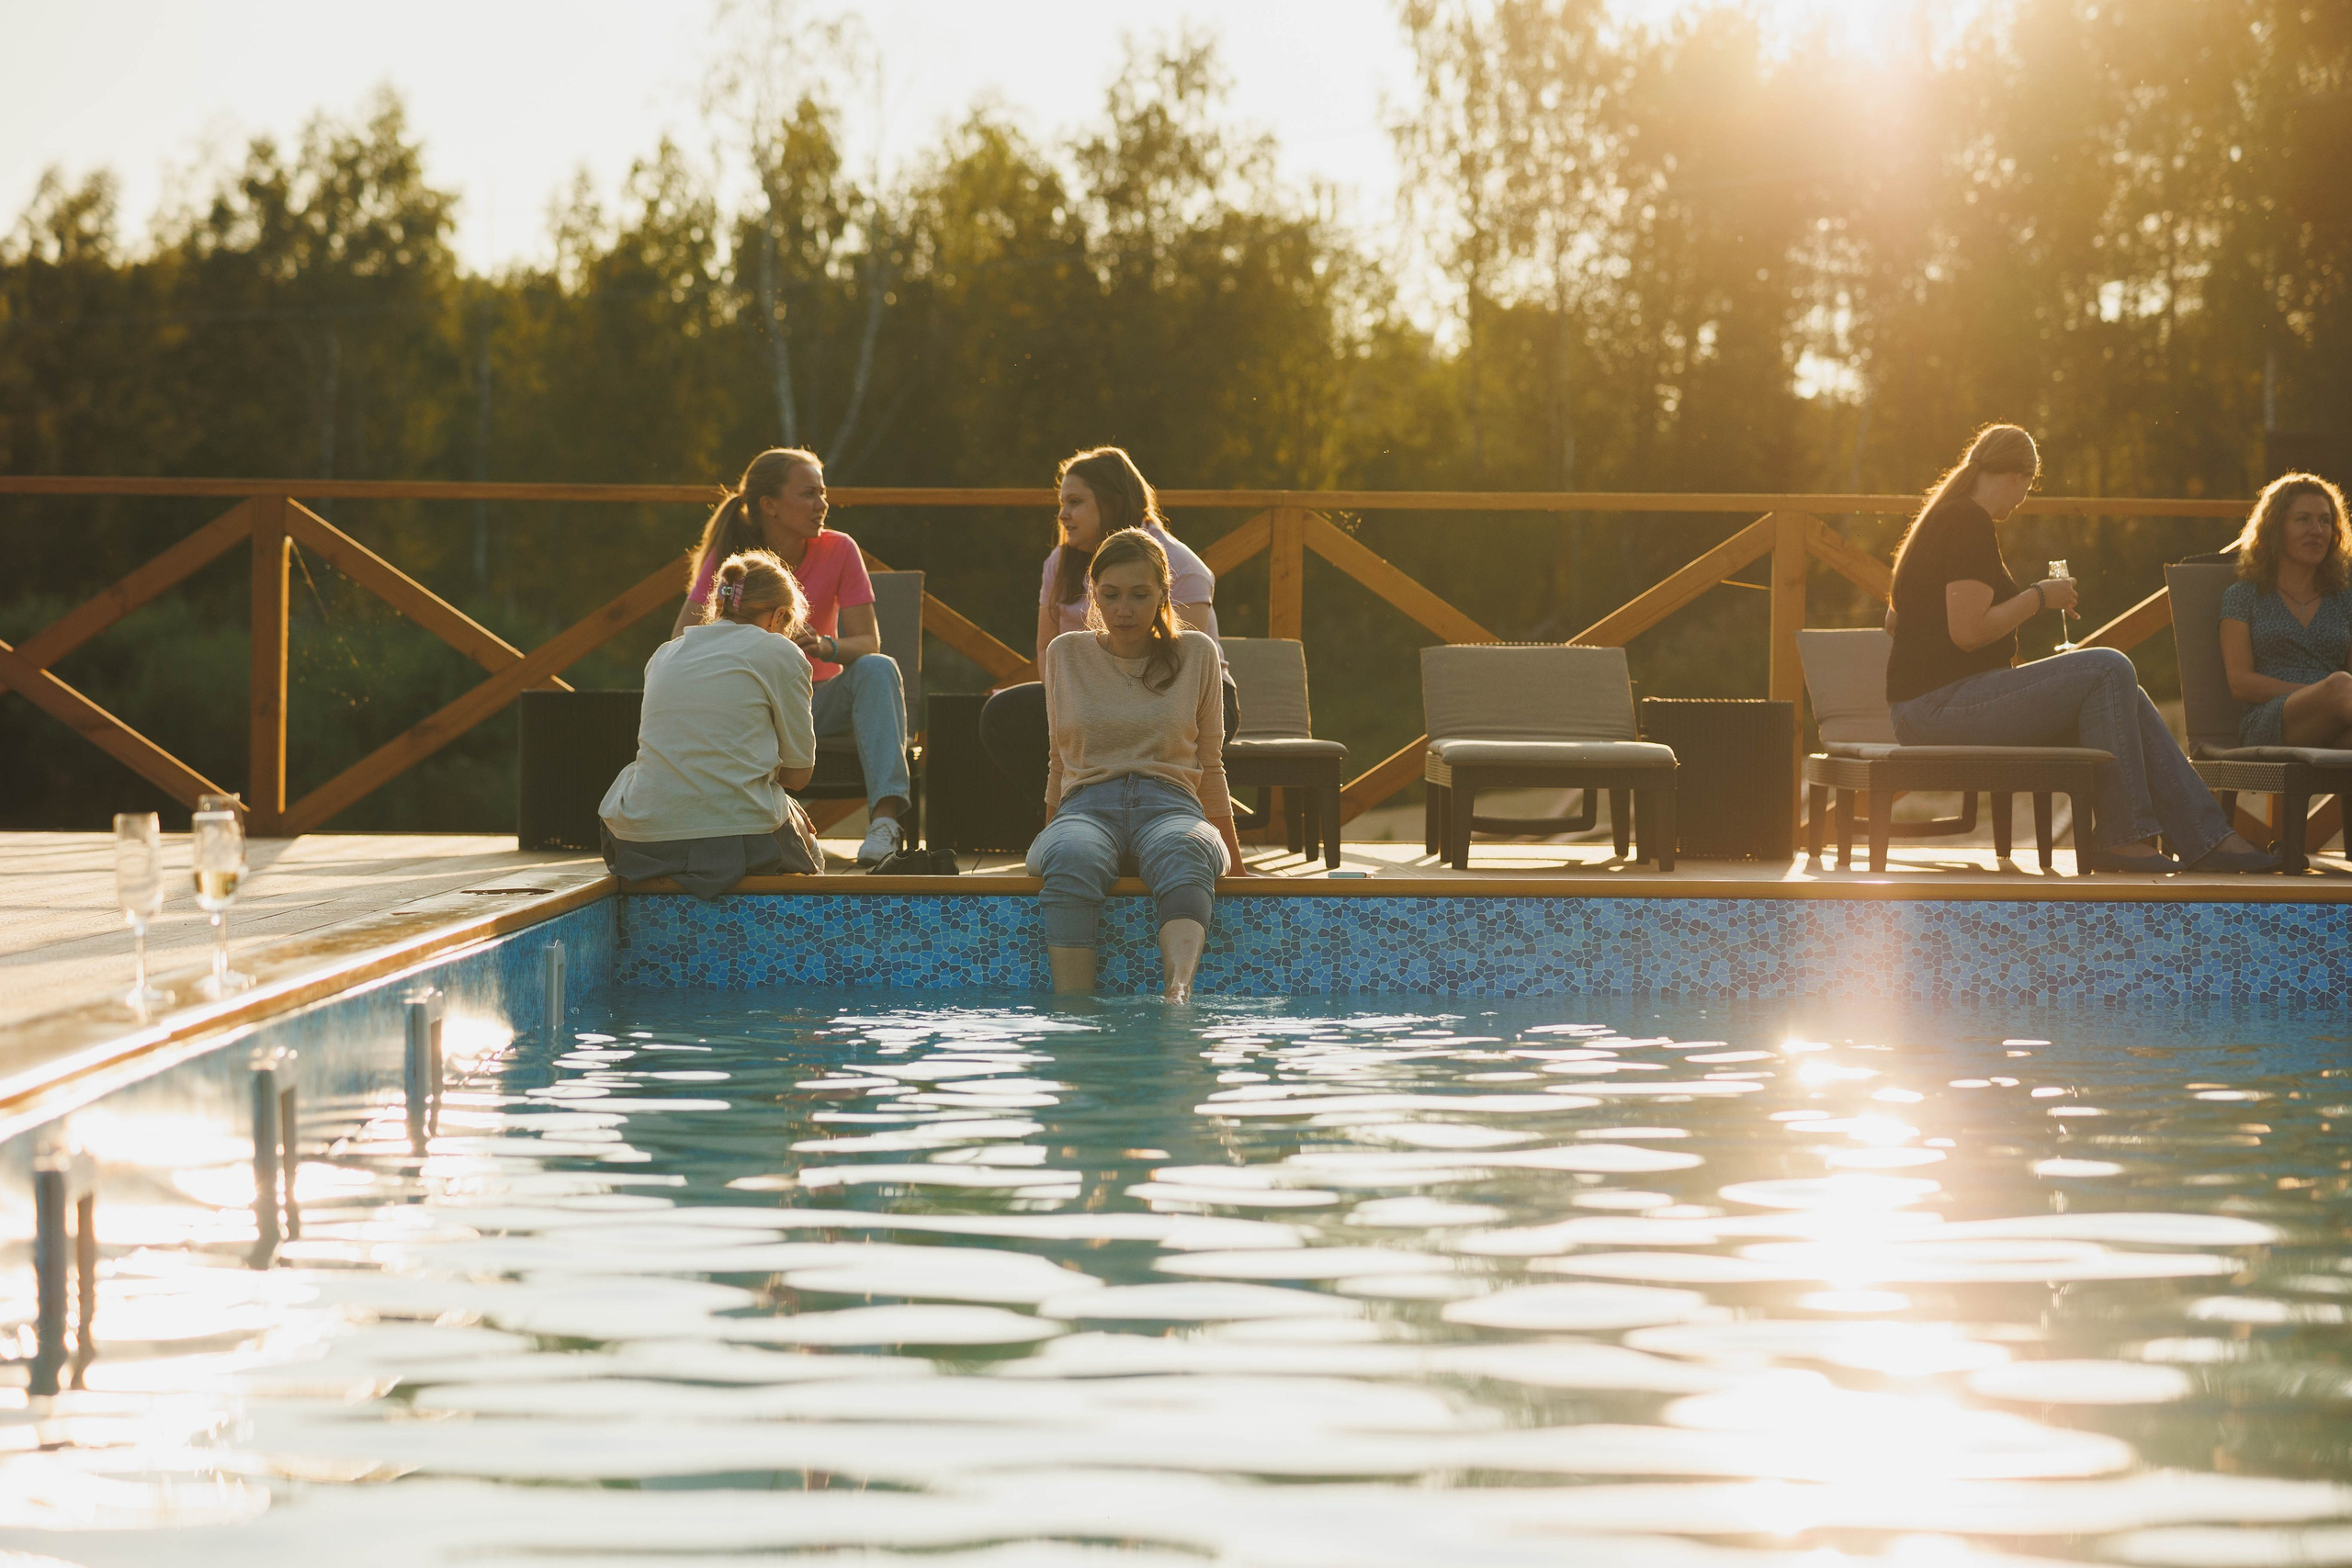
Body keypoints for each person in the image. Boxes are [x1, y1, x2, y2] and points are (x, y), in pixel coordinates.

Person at [1883, 423, 2278, 873]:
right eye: (2027, 485)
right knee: (2109, 667)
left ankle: (2207, 840)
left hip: (1932, 706)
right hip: (1936, 710)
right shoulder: (1967, 520)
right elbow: (1968, 633)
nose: (2023, 498)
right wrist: (2038, 597)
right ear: (2017, 476)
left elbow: (1897, 620)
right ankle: (2124, 838)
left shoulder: (1942, 517)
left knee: (2125, 692)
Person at [1028, 530, 1248, 1001]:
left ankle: (1178, 996)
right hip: (1085, 807)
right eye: (1110, 595)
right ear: (1094, 595)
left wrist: (1238, 863)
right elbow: (1057, 758)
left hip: (1172, 806)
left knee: (1187, 851)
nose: (1123, 608)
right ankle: (1073, 1011)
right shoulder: (1066, 654)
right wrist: (1050, 835)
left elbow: (1211, 761)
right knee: (1071, 855)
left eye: (1139, 595)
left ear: (1163, 595)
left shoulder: (1197, 655)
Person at [672, 447, 910, 866]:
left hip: (819, 701)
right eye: (808, 494)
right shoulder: (732, 561)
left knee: (878, 667)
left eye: (823, 494)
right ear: (770, 505)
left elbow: (868, 643)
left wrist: (825, 647)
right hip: (753, 706)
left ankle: (885, 823)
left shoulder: (840, 549)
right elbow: (682, 640)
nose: (823, 505)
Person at [979, 446, 1237, 800]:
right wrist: (1064, 706)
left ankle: (1152, 816)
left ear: (1112, 502)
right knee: (1003, 715)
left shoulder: (1181, 565)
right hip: (1090, 693)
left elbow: (1183, 666)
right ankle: (1071, 814)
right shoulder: (1060, 562)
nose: (1063, 515)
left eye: (1074, 502)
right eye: (1061, 504)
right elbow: (1045, 646)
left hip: (1181, 694)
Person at [602, 550, 823, 897]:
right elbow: (798, 776)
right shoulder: (779, 652)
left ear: (721, 605)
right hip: (740, 840)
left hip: (641, 842)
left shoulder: (664, 654)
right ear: (778, 615)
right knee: (810, 849)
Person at [2219, 472, 2352, 749]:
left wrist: (2331, 700)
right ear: (2276, 529)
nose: (2317, 530)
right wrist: (2321, 695)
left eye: (2325, 521)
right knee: (2340, 684)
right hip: (2271, 718)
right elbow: (2240, 683)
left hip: (2338, 718)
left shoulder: (2344, 601)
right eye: (2303, 519)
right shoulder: (2243, 597)